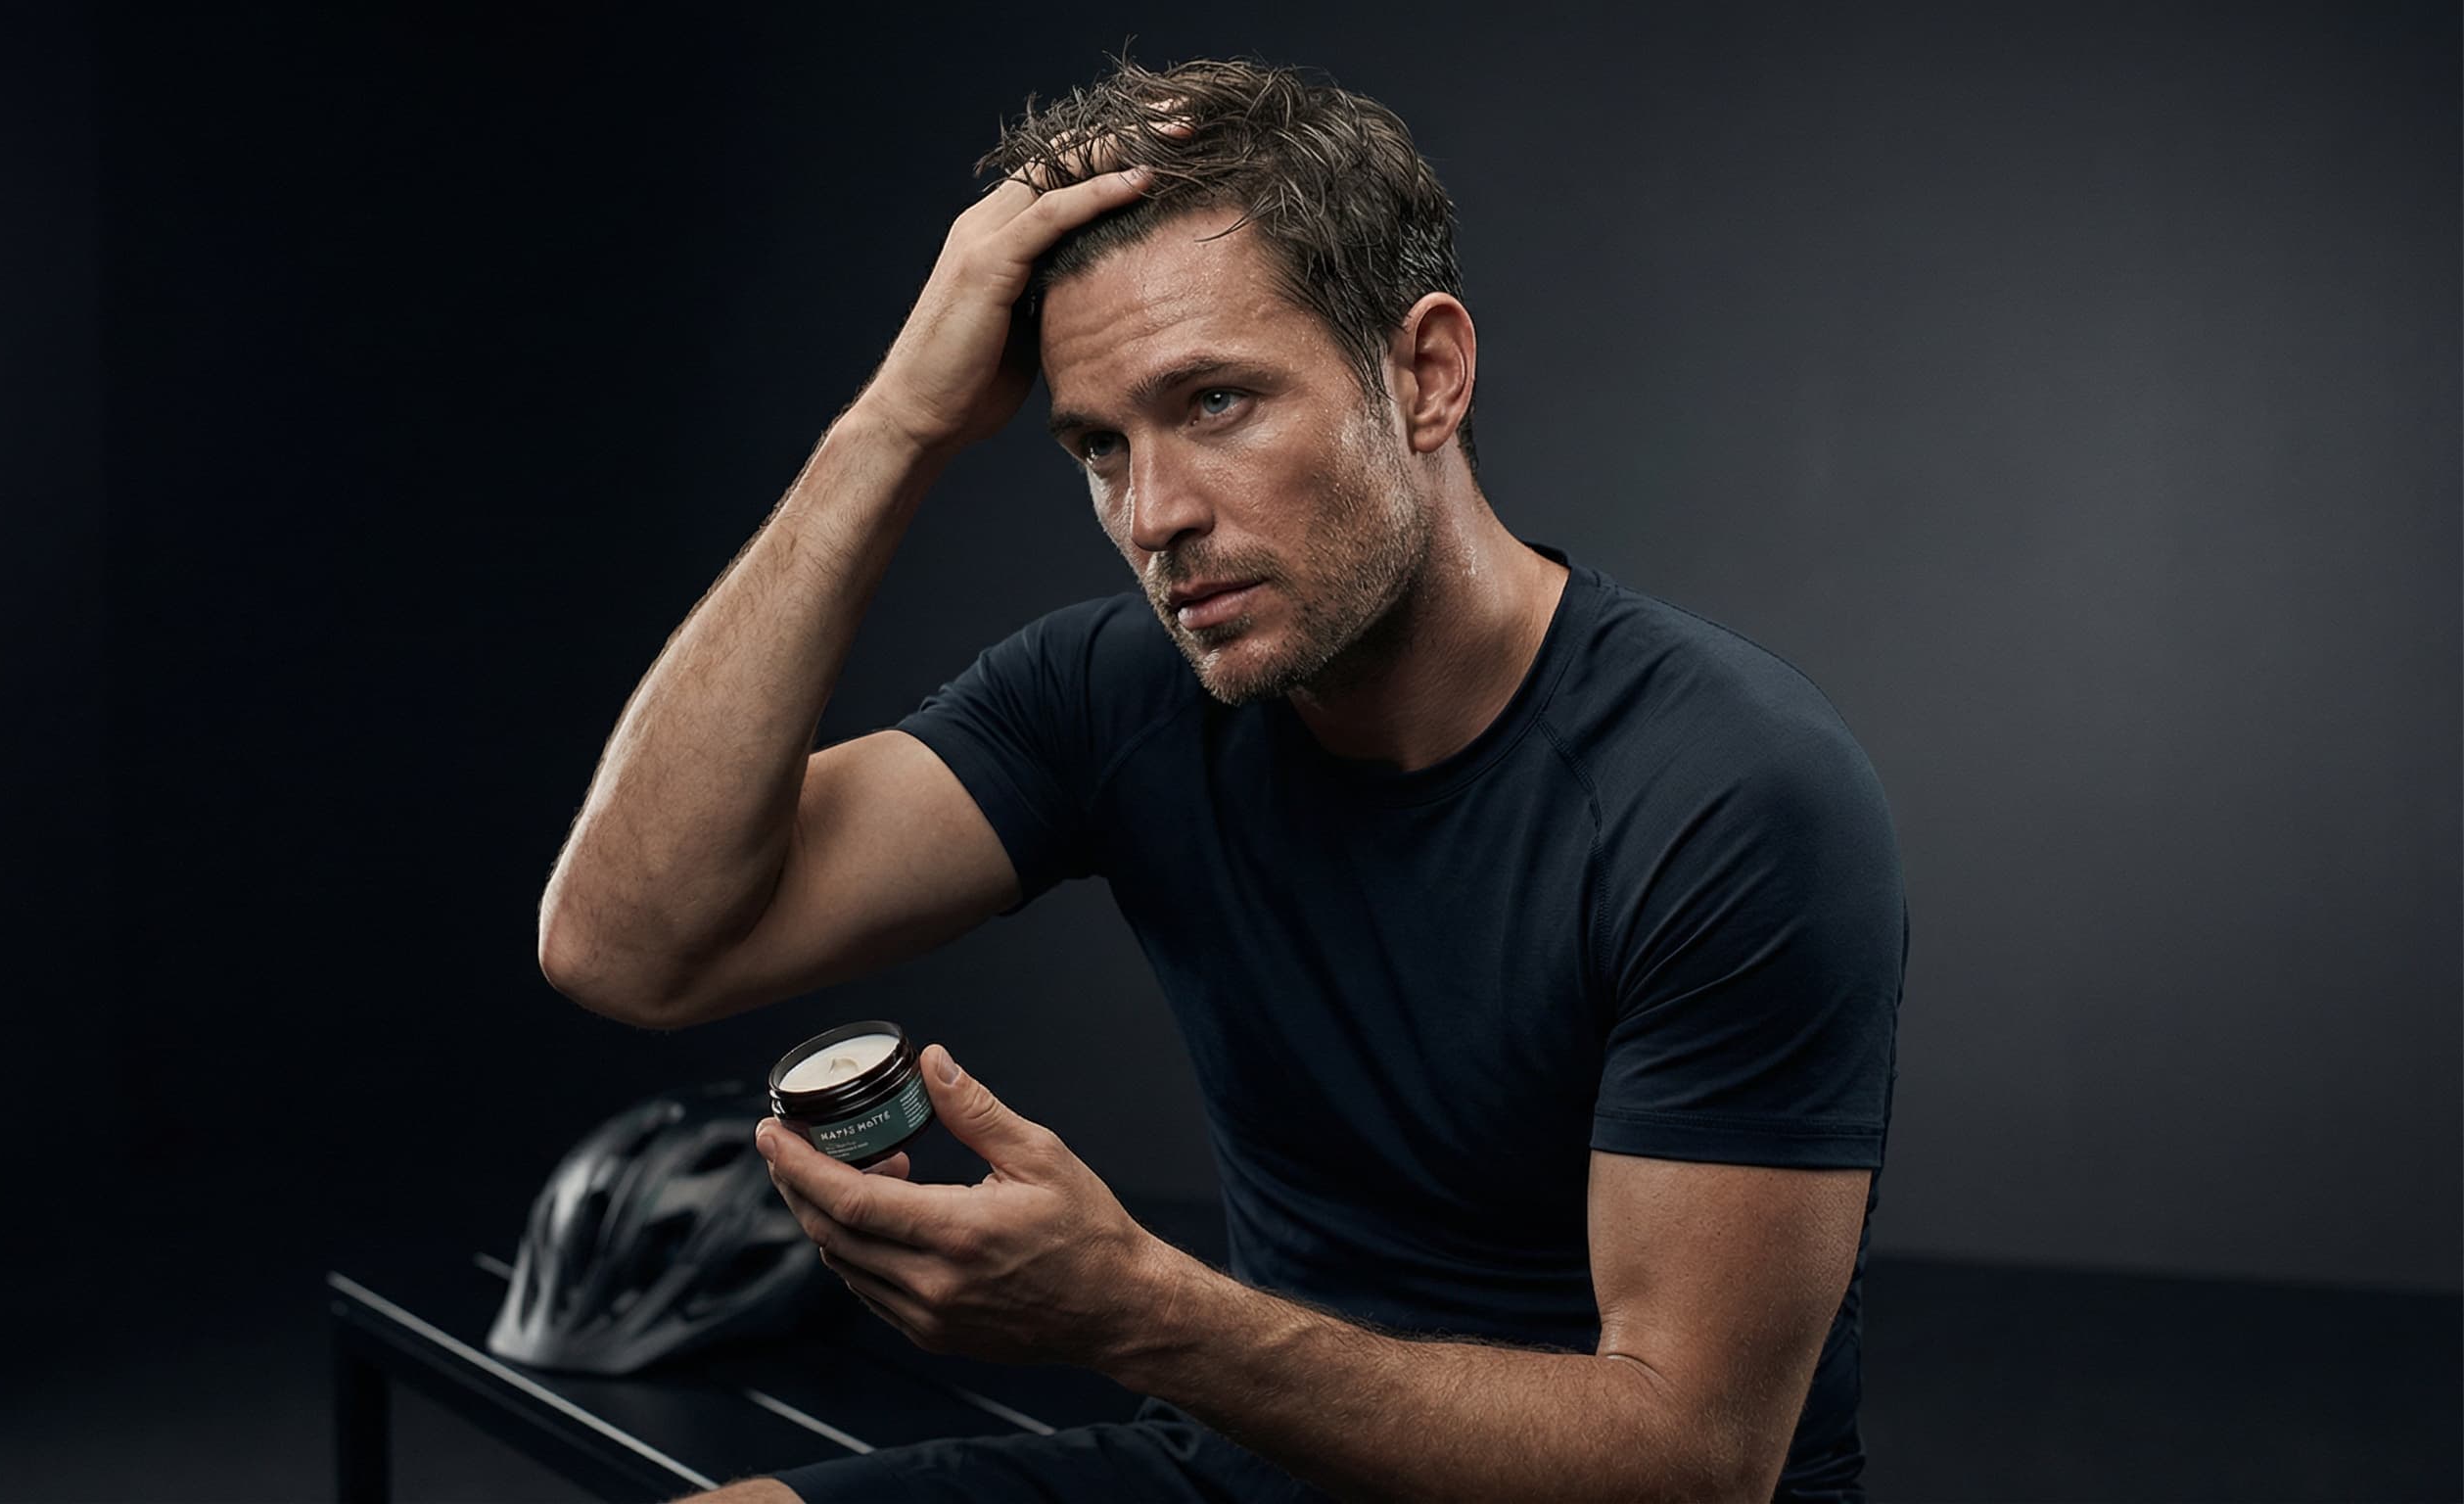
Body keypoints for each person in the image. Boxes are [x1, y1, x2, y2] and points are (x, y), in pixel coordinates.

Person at [537, 53, 1906, 1504]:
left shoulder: (1730, 791)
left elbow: (1692, 1465)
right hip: (1254, 1466)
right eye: (1096, 447)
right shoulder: (1119, 692)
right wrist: (897, 422)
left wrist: (1141, 1313)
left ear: (1425, 375)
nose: (1156, 514)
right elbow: (634, 945)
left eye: (1216, 403)